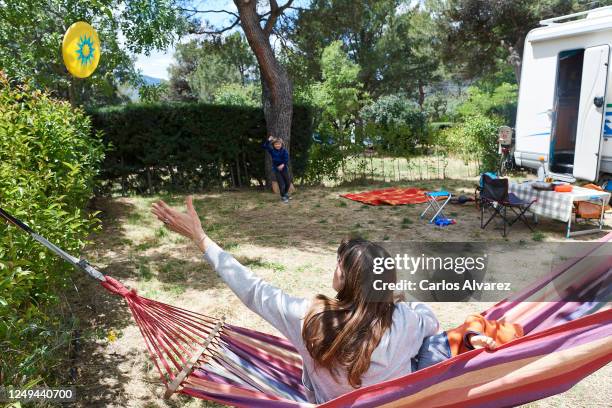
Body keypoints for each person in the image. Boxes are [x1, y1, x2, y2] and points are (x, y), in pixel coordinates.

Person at [151, 197, 439, 403]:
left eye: (339, 263)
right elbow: (432, 323)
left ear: (346, 278)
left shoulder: (312, 320)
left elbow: (254, 290)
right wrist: (399, 301)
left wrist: (200, 238)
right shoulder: (406, 320)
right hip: (399, 401)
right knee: (432, 349)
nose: (335, 266)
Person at [414, 314, 524, 370]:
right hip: (442, 347)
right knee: (419, 386)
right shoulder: (489, 326)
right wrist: (474, 336)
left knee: (412, 375)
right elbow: (474, 318)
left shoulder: (509, 347)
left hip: (447, 357)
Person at [262, 135, 291, 203]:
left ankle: (285, 193)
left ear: (281, 144)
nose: (277, 145)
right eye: (276, 144)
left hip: (284, 168)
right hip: (276, 169)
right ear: (273, 145)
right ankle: (283, 196)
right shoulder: (272, 151)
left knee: (288, 183)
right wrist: (268, 140)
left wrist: (283, 164)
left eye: (279, 144)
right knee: (281, 184)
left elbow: (286, 159)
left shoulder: (284, 151)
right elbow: (264, 146)